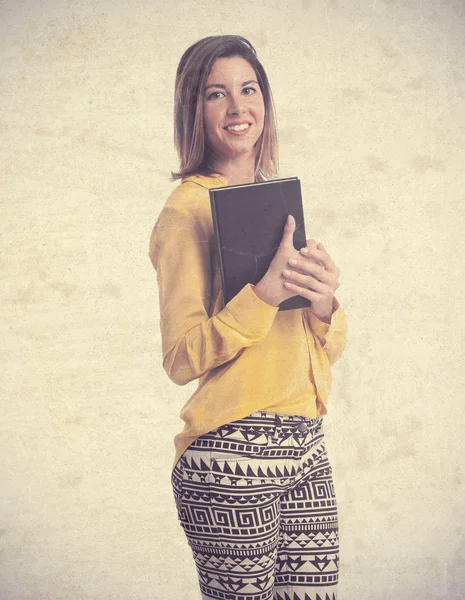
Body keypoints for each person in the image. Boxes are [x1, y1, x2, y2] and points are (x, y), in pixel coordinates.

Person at [149, 35, 347, 600]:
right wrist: (261, 296)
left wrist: (322, 301)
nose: (238, 109)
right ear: (194, 110)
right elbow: (180, 358)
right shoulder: (186, 212)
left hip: (306, 446)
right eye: (217, 94)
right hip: (231, 458)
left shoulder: (276, 203)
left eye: (248, 89)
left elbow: (316, 349)